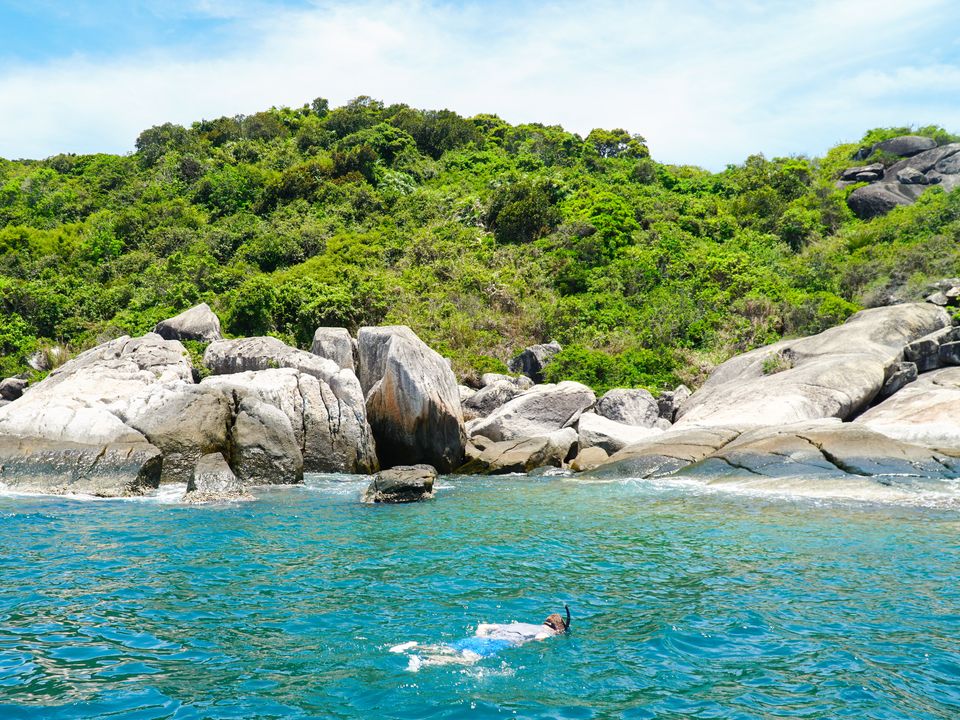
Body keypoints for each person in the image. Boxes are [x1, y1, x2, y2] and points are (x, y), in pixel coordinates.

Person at [391, 606, 570, 670]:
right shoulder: (545, 632)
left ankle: (413, 646)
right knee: (468, 662)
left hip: (484, 638)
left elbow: (483, 626)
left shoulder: (522, 623)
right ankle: (424, 662)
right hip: (498, 643)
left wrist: (480, 639)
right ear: (558, 629)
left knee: (449, 648)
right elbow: (539, 639)